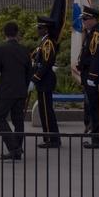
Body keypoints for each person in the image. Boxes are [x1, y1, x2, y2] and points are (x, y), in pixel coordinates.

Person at [0, 21, 31, 161]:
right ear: (17, 33)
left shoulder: (1, 49)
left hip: (6, 91)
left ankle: (13, 147)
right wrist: (25, 86)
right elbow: (29, 71)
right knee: (18, 120)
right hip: (21, 91)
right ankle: (17, 149)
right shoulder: (24, 50)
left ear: (4, 33)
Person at [78, 7, 99, 148]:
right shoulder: (91, 33)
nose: (83, 22)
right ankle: (96, 138)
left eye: (85, 19)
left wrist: (92, 76)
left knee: (98, 109)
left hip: (96, 78)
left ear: (93, 19)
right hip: (89, 76)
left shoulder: (97, 34)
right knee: (94, 108)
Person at [30, 16, 60, 148]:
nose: (37, 30)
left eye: (40, 27)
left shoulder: (48, 43)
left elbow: (46, 64)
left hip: (45, 80)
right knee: (44, 110)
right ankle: (50, 137)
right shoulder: (44, 42)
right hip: (44, 80)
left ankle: (51, 139)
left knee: (46, 111)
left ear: (46, 29)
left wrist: (35, 78)